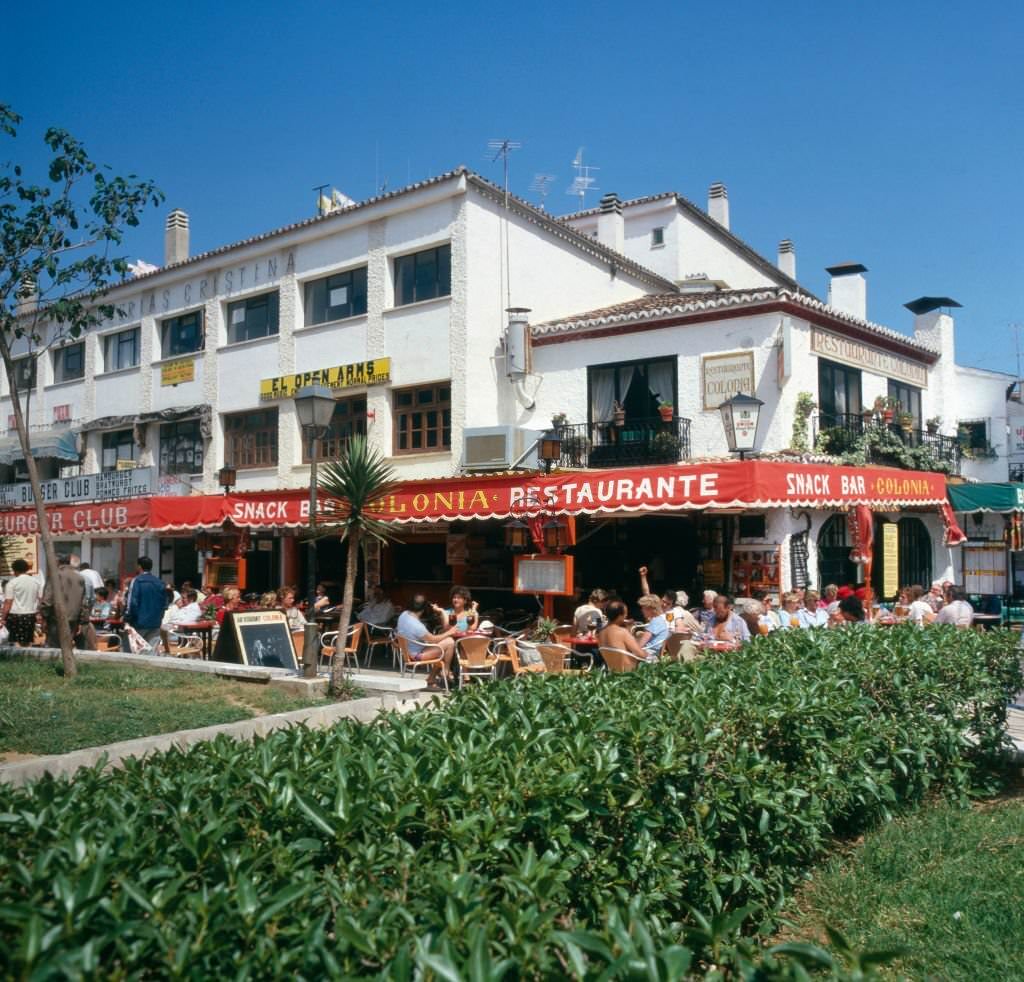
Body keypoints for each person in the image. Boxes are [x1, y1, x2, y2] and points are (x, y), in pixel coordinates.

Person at [396, 594, 458, 687]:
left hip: (408, 652)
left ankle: (432, 678)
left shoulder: (404, 614)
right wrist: (450, 632)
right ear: (424, 608)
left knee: (443, 647)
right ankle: (446, 671)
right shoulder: (417, 626)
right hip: (417, 656)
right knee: (450, 642)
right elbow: (433, 639)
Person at [41, 554, 91, 649]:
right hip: (73, 619)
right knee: (67, 647)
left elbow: (47, 600)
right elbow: (84, 603)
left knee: (54, 648)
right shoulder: (79, 578)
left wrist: (44, 617)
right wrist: (82, 621)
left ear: (58, 563)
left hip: (55, 619)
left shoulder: (55, 576)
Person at [125, 556, 169, 649]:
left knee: (136, 651)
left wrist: (128, 618)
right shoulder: (160, 582)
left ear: (139, 566)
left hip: (139, 622)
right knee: (151, 653)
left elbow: (132, 602)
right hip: (155, 622)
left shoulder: (137, 581)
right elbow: (165, 604)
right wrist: (159, 618)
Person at [1, 558, 41, 647]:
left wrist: (3, 618)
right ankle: (28, 659)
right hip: (30, 615)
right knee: (28, 640)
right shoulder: (36, 582)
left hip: (15, 615)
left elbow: (8, 602)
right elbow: (40, 599)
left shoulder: (12, 583)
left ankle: (17, 659)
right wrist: (39, 614)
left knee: (16, 641)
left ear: (15, 570)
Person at [635, 593, 669, 660]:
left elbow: (641, 644)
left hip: (648, 655)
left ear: (651, 609)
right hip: (653, 653)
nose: (641, 610)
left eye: (643, 607)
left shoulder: (655, 622)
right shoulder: (660, 620)